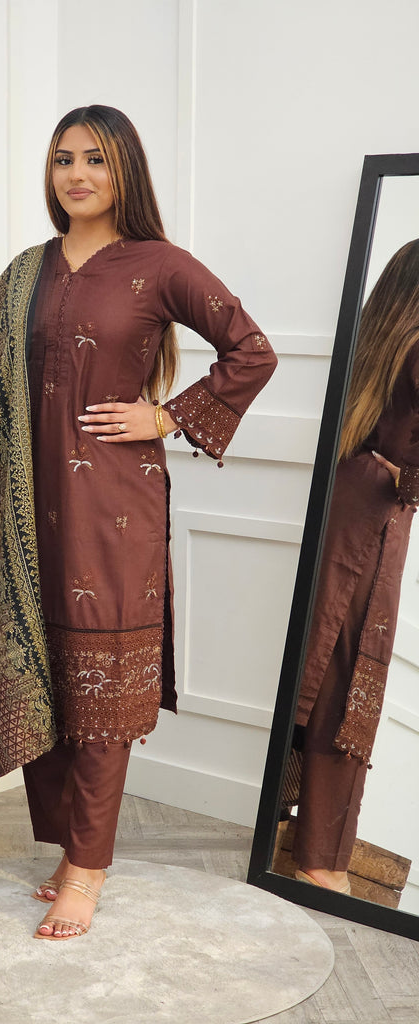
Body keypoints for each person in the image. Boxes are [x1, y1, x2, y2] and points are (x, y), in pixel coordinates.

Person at [0, 105, 276, 940]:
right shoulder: (26, 271)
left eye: (95, 160)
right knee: (40, 671)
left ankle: (89, 869)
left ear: (124, 171)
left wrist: (165, 416)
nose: (77, 175)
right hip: (23, 506)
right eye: (64, 159)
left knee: (101, 681)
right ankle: (70, 849)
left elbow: (252, 350)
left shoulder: (161, 265)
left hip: (115, 506)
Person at [292, 238, 419, 894]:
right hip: (371, 527)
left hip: (338, 508)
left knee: (315, 667)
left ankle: (288, 822)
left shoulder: (375, 340)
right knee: (344, 687)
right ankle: (320, 862)